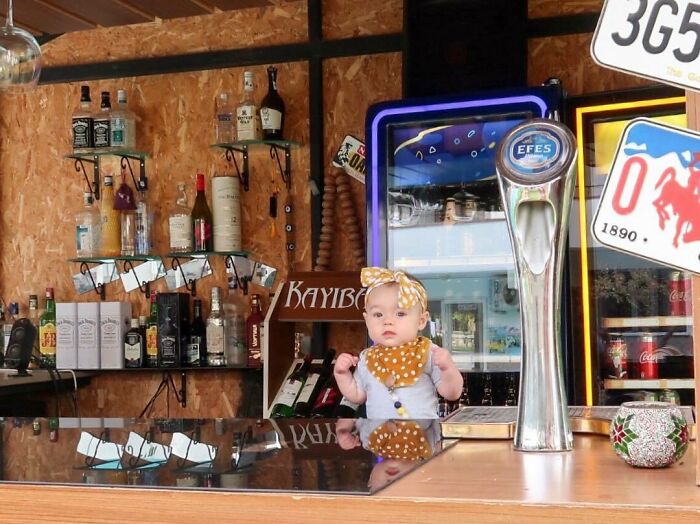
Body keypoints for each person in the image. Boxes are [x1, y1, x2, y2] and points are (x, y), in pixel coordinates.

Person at [334, 267, 463, 419]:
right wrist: (342, 374)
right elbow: (357, 395)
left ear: (421, 321)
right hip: (379, 433)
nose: (387, 321)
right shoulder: (367, 358)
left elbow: (452, 393)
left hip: (421, 432)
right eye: (378, 314)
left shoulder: (427, 352)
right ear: (367, 320)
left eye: (400, 313)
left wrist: (447, 368)